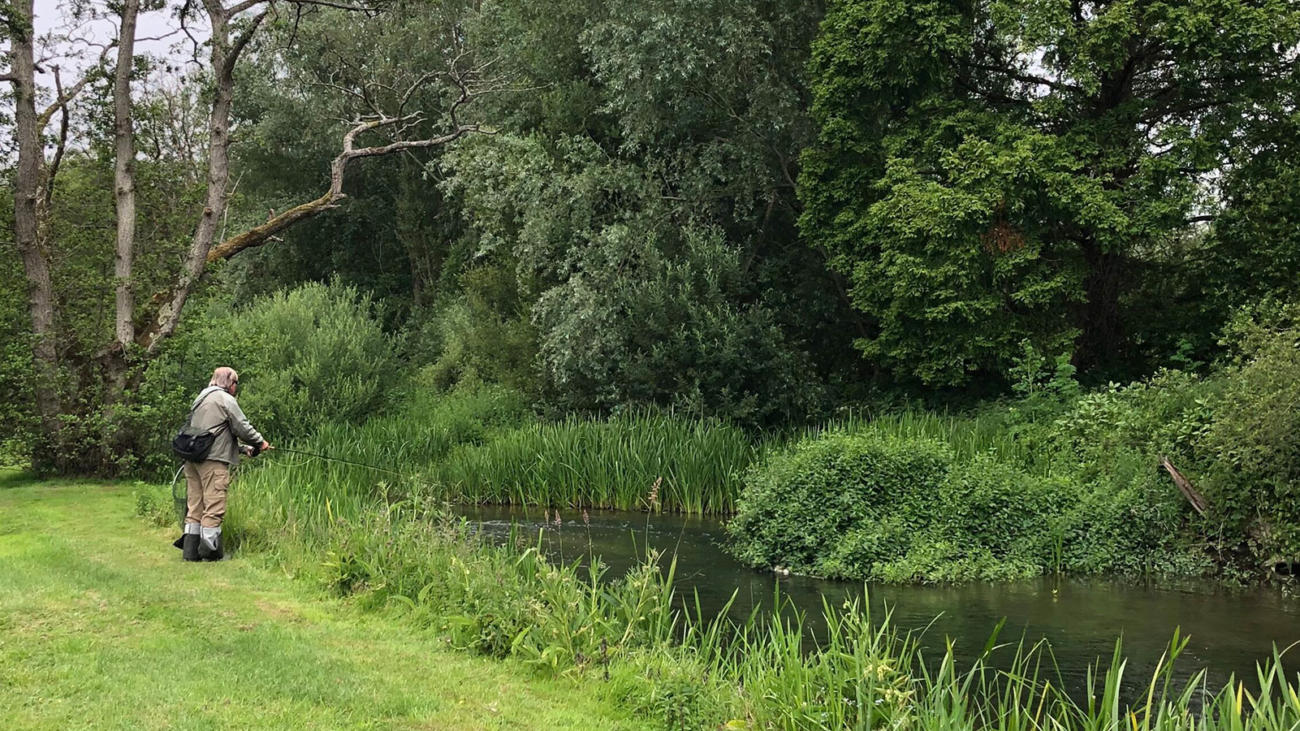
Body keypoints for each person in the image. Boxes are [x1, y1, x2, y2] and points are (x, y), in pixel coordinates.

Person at [177, 367, 272, 562]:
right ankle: (211, 553)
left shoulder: (201, 398)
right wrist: (260, 442)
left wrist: (244, 449)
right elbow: (241, 426)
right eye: (236, 383)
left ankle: (190, 551)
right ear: (229, 383)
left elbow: (213, 434)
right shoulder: (225, 399)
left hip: (193, 460)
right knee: (214, 505)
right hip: (213, 463)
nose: (236, 387)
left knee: (195, 505)